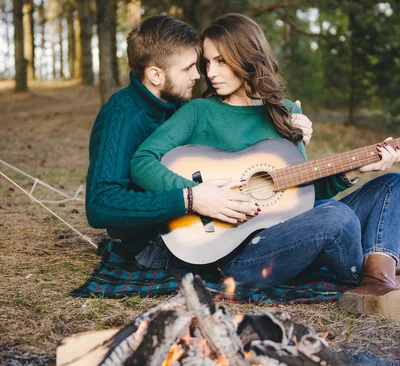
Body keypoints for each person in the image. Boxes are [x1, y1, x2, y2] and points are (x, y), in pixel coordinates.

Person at [130, 13, 400, 320]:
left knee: (391, 185)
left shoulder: (286, 112)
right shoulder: (198, 112)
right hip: (240, 252)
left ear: (248, 57)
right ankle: (380, 270)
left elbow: (303, 194)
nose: (211, 72)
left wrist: (353, 172)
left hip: (293, 227)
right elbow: (142, 162)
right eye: (207, 62)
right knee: (337, 217)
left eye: (221, 61)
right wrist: (196, 194)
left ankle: (377, 282)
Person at [86, 15, 313, 267]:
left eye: (200, 64)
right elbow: (101, 204)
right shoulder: (121, 115)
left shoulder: (175, 104)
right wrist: (190, 199)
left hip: (200, 231)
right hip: (160, 241)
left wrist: (289, 138)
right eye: (189, 68)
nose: (200, 75)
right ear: (155, 75)